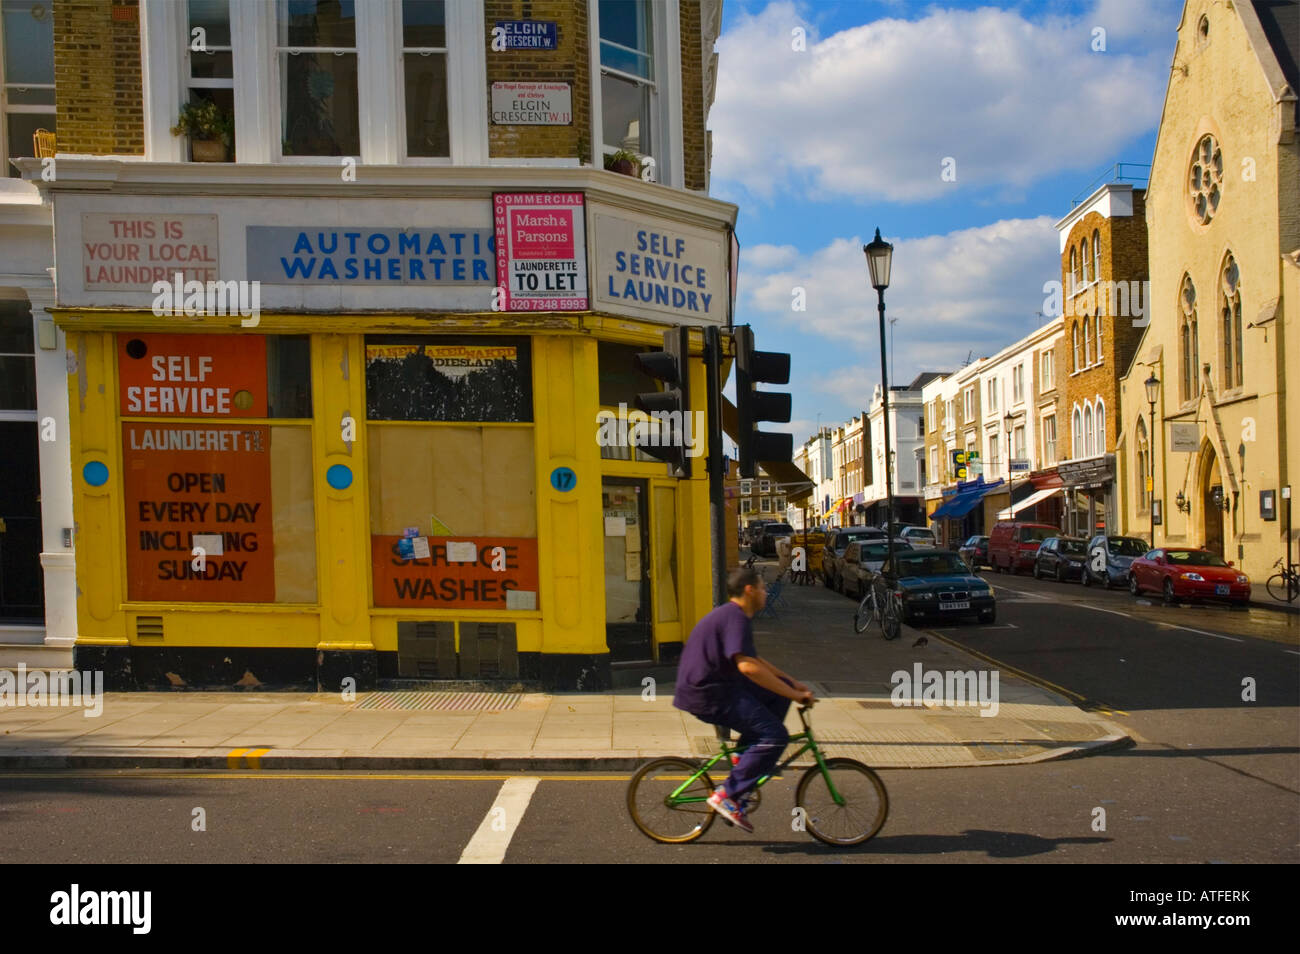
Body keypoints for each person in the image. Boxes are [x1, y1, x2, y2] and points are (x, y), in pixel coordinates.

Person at [672, 566, 816, 833]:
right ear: (749, 590)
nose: (766, 592)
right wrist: (797, 695)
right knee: (776, 736)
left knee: (778, 691)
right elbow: (748, 668)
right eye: (762, 588)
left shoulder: (735, 616)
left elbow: (754, 660)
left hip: (719, 687)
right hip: (709, 693)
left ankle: (745, 757)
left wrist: (791, 683)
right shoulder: (735, 618)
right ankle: (727, 795)